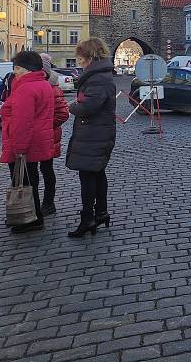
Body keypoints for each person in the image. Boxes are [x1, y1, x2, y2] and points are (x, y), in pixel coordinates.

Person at [66, 38, 116, 238]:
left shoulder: (97, 78)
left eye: (80, 58)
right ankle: (101, 213)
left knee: (87, 176)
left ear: (90, 57)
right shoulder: (101, 75)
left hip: (94, 134)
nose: (79, 62)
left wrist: (72, 106)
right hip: (97, 133)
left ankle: (88, 219)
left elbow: (89, 107)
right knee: (96, 173)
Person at [0, 51, 54, 233]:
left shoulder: (25, 88)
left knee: (24, 182)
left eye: (17, 67)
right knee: (30, 180)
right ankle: (33, 215)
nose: (14, 71)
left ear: (27, 69)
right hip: (37, 140)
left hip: (24, 143)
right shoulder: (43, 84)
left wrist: (19, 148)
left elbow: (23, 122)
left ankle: (30, 218)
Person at [38, 53, 70, 216]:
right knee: (33, 172)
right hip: (33, 138)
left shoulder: (52, 86)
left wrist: (44, 127)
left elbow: (63, 113)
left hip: (48, 136)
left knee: (46, 170)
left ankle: (48, 203)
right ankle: (34, 205)